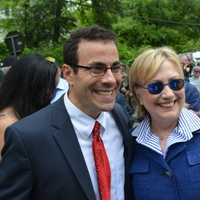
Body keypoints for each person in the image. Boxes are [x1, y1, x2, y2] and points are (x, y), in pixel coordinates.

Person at [0, 25, 133, 200]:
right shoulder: (27, 137)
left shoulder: (120, 117)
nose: (110, 79)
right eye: (96, 68)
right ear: (68, 73)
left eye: (115, 67)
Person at [129, 47, 200, 200]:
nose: (168, 94)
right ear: (138, 95)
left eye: (176, 84)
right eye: (155, 87)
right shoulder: (129, 145)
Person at [0, 54, 58, 153]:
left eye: (53, 88)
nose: (50, 94)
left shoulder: (25, 116)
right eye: (47, 87)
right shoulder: (6, 125)